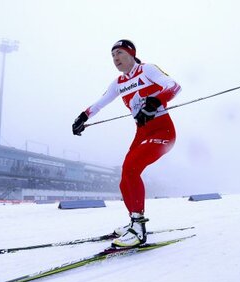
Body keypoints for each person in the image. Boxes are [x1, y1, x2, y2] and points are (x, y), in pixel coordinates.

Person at [72, 39, 181, 248]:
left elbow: (175, 86)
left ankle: (139, 228)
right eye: (113, 56)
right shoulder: (118, 83)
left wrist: (156, 101)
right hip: (141, 133)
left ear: (132, 54)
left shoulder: (147, 69)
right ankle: (134, 220)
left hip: (162, 131)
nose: (115, 59)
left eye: (120, 53)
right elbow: (100, 103)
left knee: (131, 168)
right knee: (126, 175)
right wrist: (82, 118)